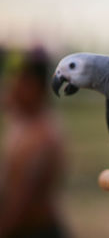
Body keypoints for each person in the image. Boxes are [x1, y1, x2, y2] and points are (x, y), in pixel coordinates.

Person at [0, 48, 67, 238]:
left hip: (35, 230)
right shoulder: (22, 121)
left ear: (34, 88)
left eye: (16, 82)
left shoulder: (41, 136)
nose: (10, 88)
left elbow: (21, 204)